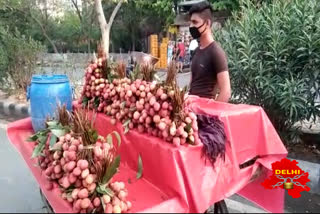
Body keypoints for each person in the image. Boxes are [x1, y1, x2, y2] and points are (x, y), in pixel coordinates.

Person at [188, 1, 231, 102]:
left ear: (207, 23)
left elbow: (226, 91)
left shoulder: (216, 52)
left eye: (195, 22)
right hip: (191, 112)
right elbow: (192, 84)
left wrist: (211, 114)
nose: (190, 26)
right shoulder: (196, 51)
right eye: (190, 22)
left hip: (204, 114)